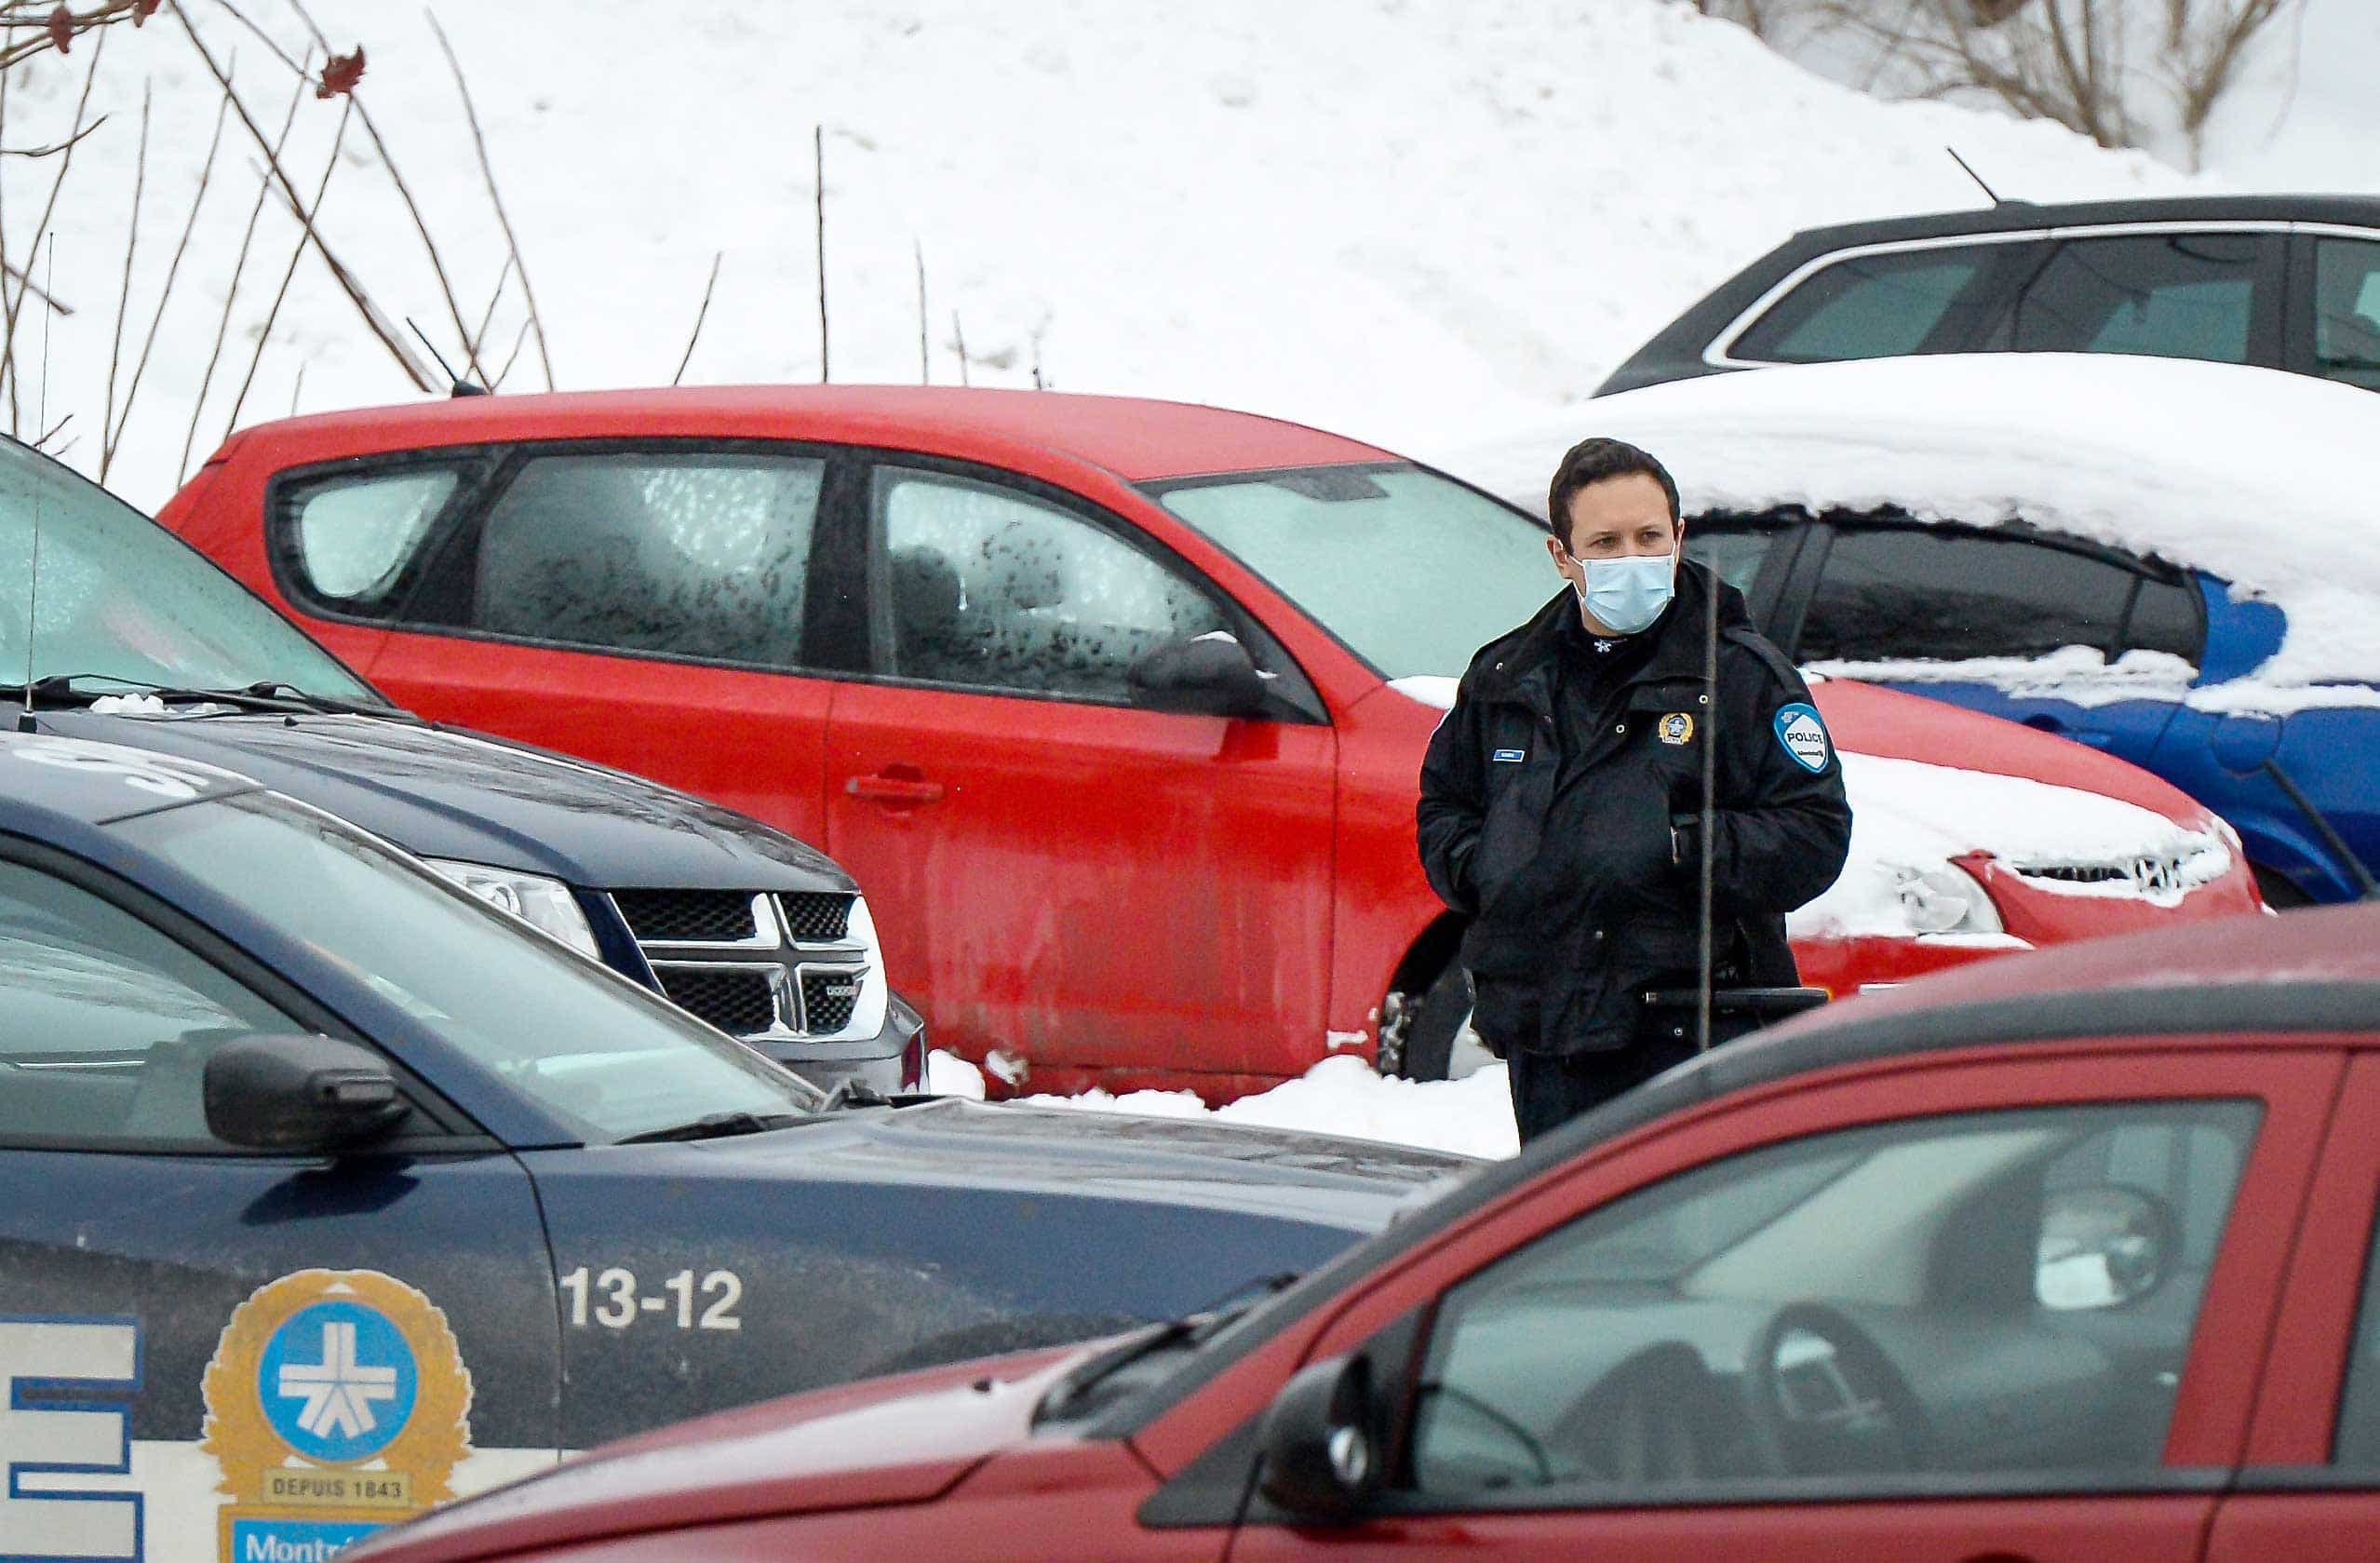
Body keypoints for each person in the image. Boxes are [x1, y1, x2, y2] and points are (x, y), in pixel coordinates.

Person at [1418, 438, 1851, 1143]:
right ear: (1562, 556)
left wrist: (1675, 846)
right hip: (1547, 1040)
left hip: (1690, 1040)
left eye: (1649, 537)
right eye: (1605, 541)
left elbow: (1813, 832)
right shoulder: (1506, 677)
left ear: (1678, 539)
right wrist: (1493, 861)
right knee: (1569, 1242)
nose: (1631, 559)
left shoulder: (1740, 677)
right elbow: (1445, 805)